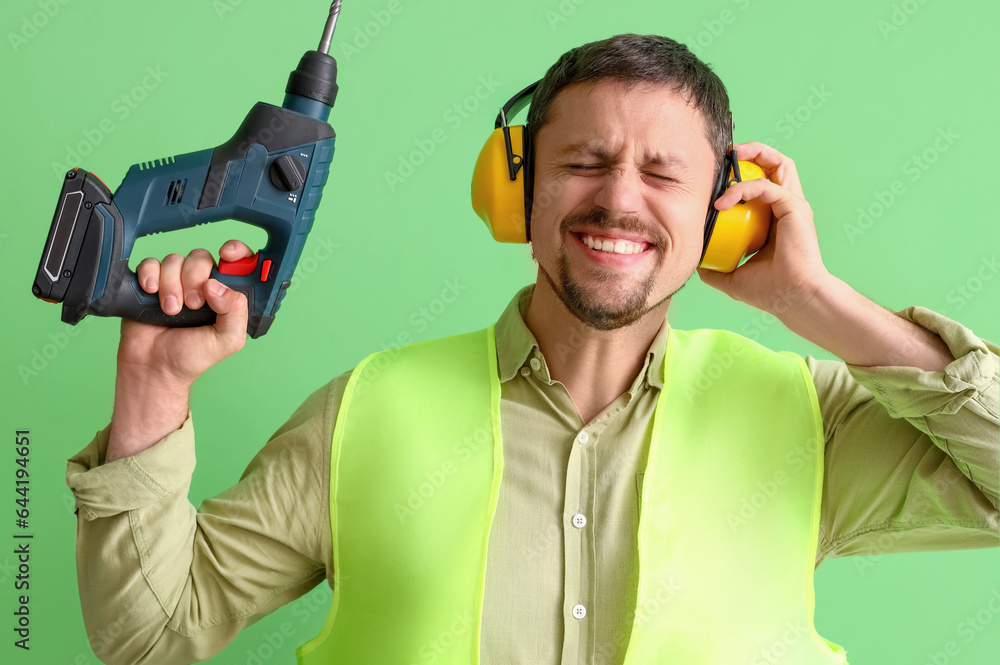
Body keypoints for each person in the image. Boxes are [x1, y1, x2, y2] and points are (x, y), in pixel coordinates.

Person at [66, 34, 998, 665]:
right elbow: (150, 631)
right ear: (517, 191)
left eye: (664, 173)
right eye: (584, 162)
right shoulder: (365, 412)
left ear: (725, 212)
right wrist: (152, 386)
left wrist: (814, 300)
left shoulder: (811, 422)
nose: (619, 199)